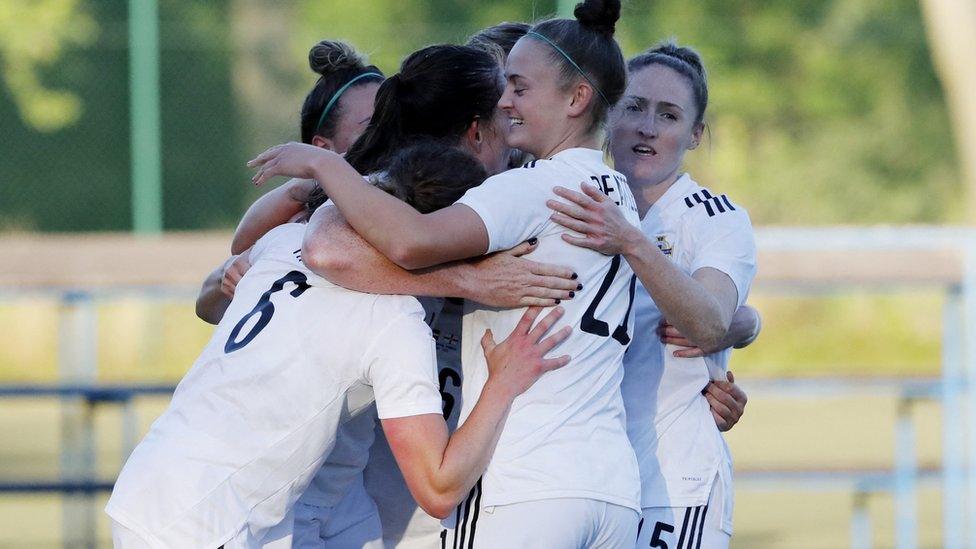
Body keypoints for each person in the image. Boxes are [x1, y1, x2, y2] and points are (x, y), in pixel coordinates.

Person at [248, 1, 646, 546]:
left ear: (577, 99)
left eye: (519, 88)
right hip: (611, 488)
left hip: (526, 481)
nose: (505, 102)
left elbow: (409, 242)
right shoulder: (618, 194)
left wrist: (327, 167)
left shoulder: (526, 189)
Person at [107, 140, 572, 548]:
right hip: (207, 521)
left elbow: (214, 298)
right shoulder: (394, 321)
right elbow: (438, 489)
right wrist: (503, 383)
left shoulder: (287, 239)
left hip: (157, 481)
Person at [546, 41, 758, 548]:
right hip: (575, 479)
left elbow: (709, 321)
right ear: (606, 107)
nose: (647, 127)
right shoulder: (568, 193)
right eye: (634, 106)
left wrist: (630, 241)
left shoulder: (714, 218)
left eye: (669, 115)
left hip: (670, 481)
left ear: (695, 135)